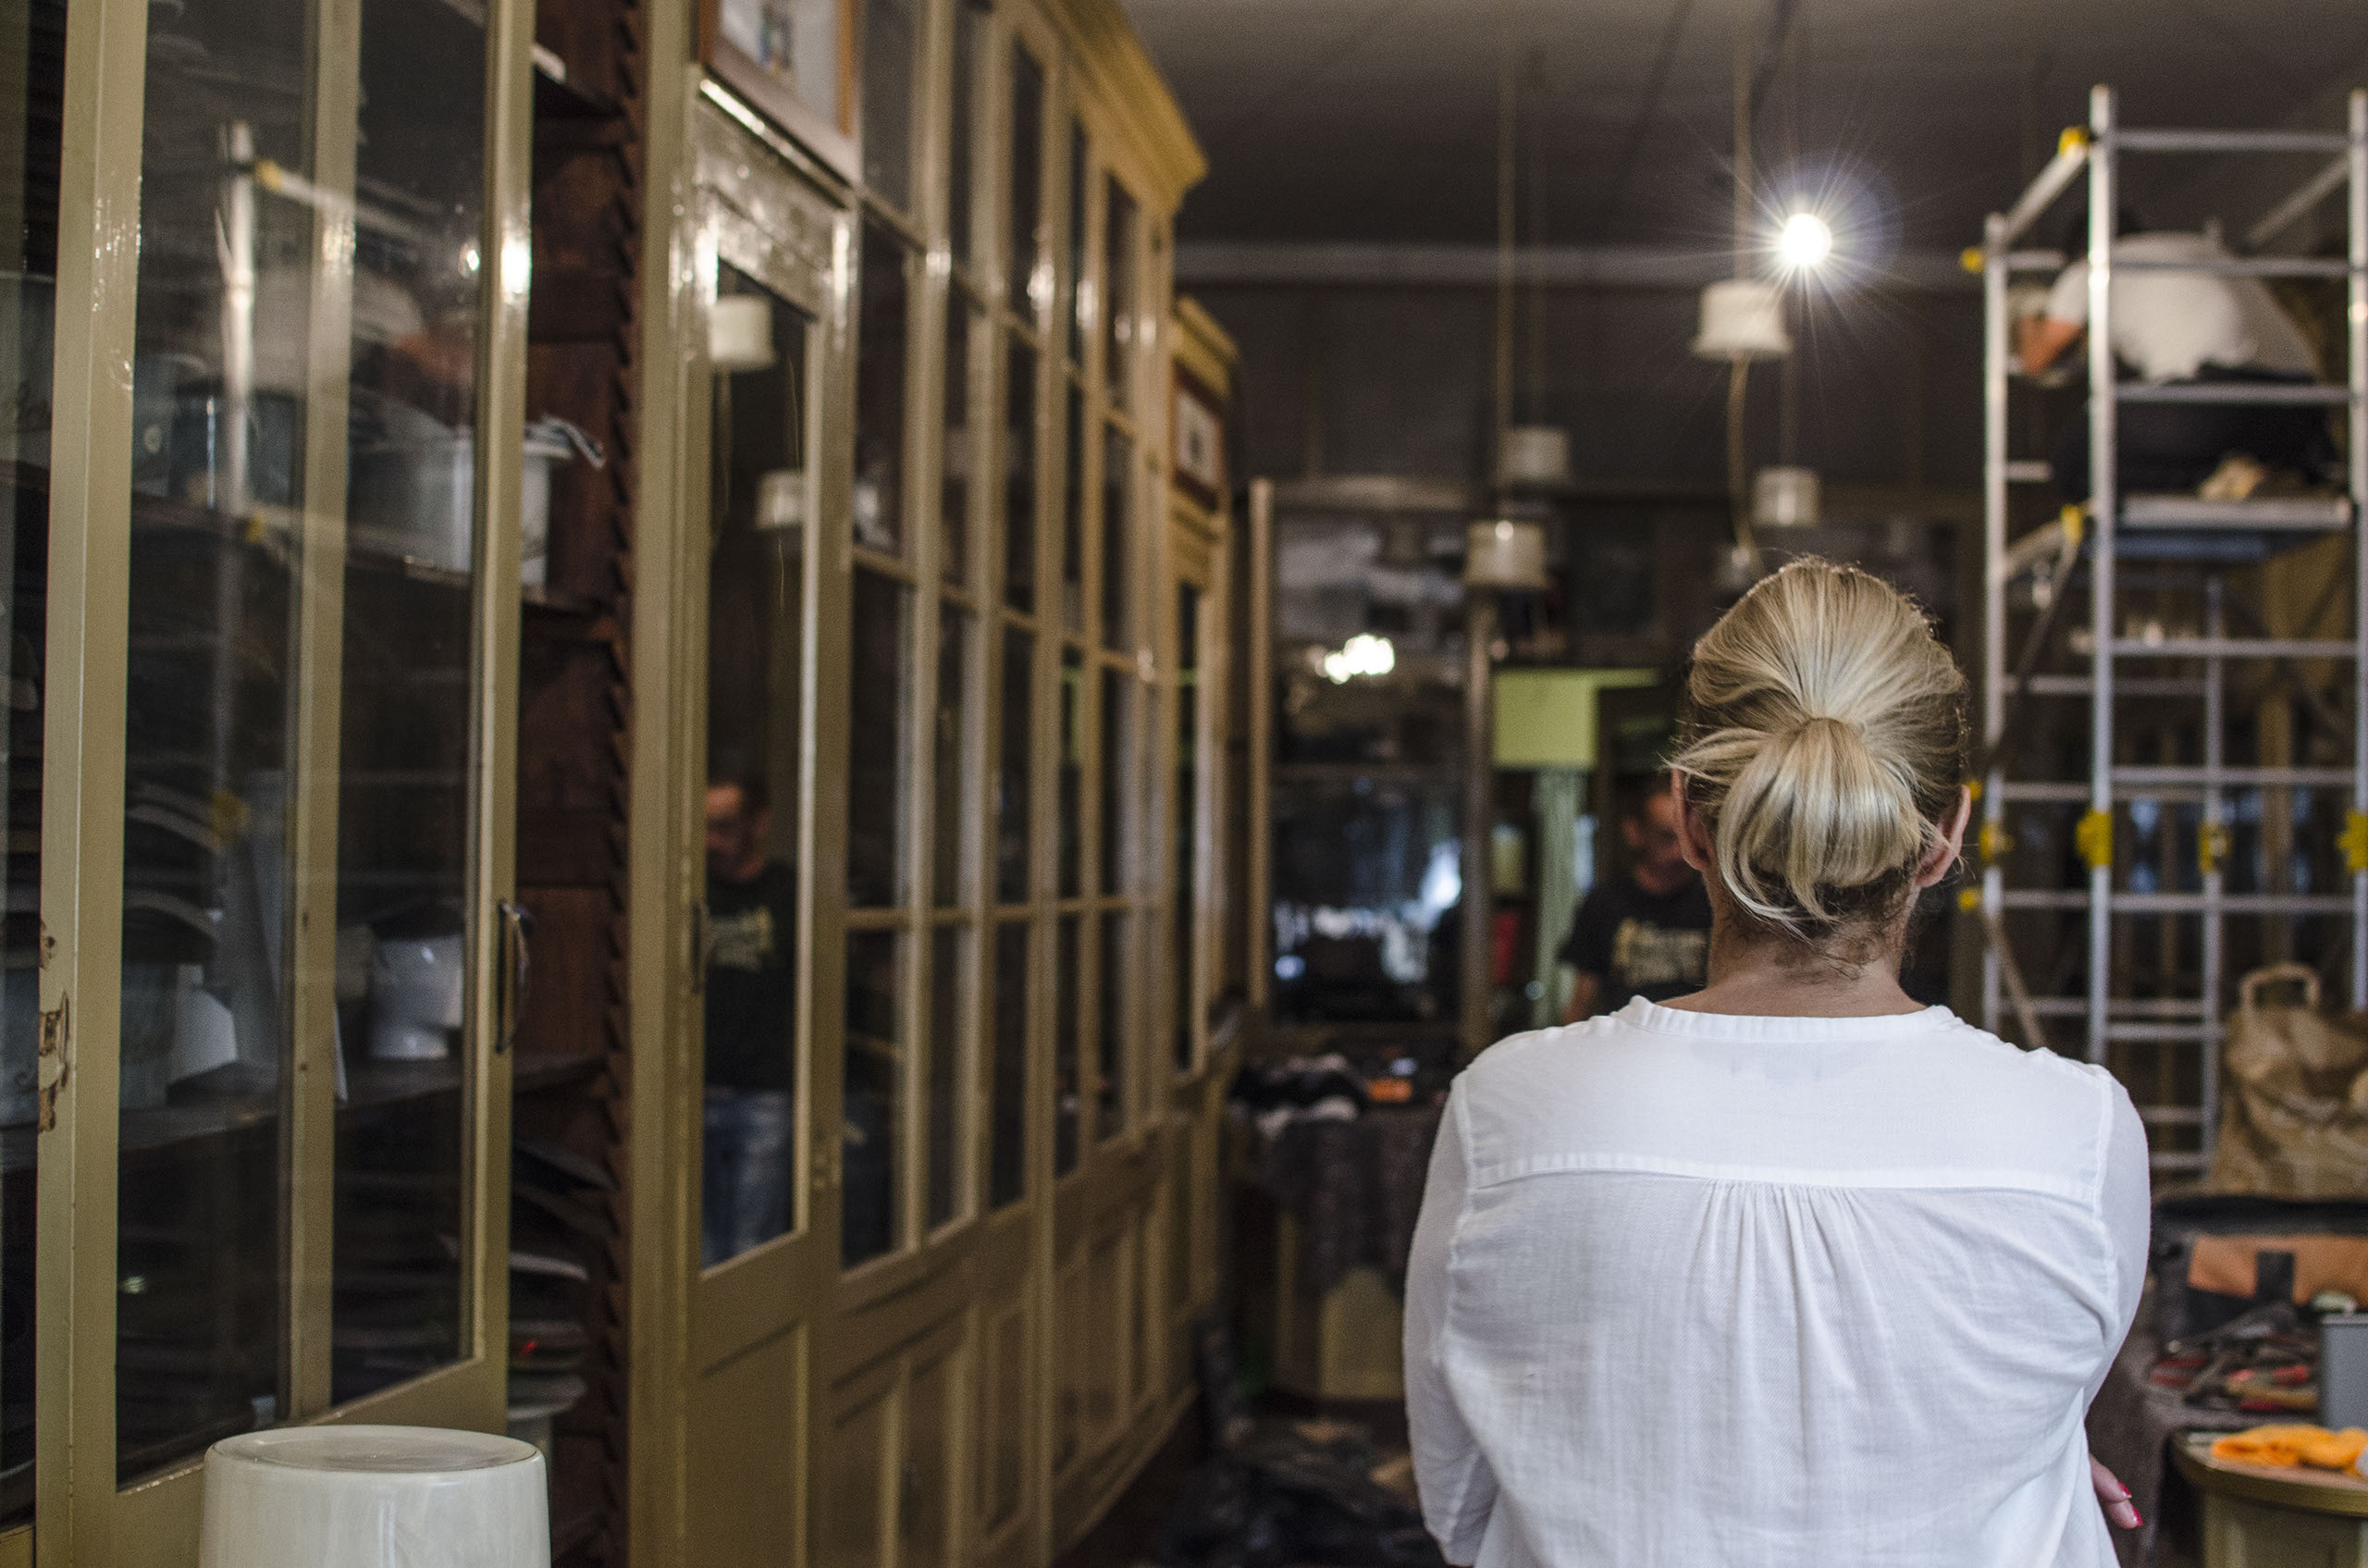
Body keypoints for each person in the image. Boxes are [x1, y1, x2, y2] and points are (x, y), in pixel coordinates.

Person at [1407, 560, 2148, 1567]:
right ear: (1945, 838)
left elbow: (1459, 1507)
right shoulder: (2078, 1132)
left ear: (1690, 819)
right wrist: (2035, 1464)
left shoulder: (1508, 1110)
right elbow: (2031, 1410)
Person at [2019, 208, 2330, 499]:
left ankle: (2217, 473)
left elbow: (2038, 359)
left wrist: (2026, 318)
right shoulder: (2201, 248)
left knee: (2074, 461)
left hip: (2213, 404)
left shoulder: (2092, 268)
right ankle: (2273, 468)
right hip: (2302, 408)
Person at [700, 773, 800, 1266]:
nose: (710, 841)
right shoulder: (691, 890)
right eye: (702, 827)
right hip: (695, 1089)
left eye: (724, 826)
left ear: (759, 825)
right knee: (697, 1253)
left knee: (751, 1251)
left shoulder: (788, 893)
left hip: (763, 1092)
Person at [1557, 786, 1711, 1023]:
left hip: (1693, 1036)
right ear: (1634, 832)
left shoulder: (1713, 901)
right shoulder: (1605, 901)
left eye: (1687, 838)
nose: (1679, 852)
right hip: (1625, 1037)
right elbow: (1582, 998)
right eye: (1666, 837)